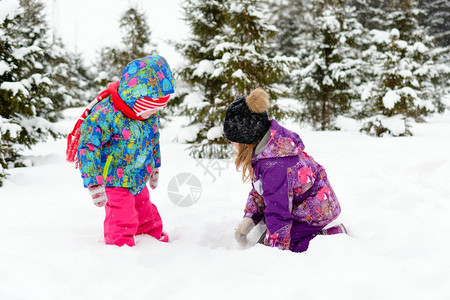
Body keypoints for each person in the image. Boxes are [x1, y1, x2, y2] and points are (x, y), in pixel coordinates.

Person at [66, 55, 175, 247]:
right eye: (150, 108)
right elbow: (88, 146)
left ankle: (150, 237)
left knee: (145, 210)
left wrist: (155, 166)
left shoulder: (148, 117)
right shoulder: (105, 114)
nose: (153, 113)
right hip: (113, 177)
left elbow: (152, 141)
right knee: (122, 215)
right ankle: (119, 248)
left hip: (138, 174)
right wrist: (94, 183)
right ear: (136, 100)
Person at [223, 88, 346, 253]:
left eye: (234, 140)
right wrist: (250, 217)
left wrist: (273, 253)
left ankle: (331, 236)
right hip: (301, 203)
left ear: (247, 138)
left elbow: (278, 212)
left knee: (284, 244)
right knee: (268, 233)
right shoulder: (267, 149)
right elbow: (262, 191)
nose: (232, 145)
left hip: (314, 212)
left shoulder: (275, 166)